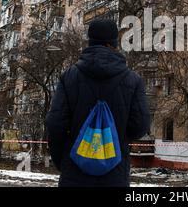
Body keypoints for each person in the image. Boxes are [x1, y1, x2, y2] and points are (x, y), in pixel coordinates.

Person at [45, 19, 150, 187]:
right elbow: (140, 126)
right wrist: (116, 137)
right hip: (114, 173)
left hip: (74, 172)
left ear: (90, 41)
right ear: (115, 43)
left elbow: (55, 124)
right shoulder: (133, 80)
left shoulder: (69, 77)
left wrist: (63, 162)